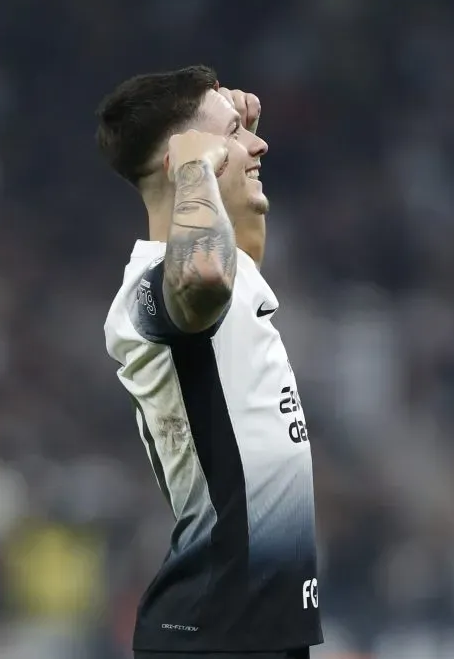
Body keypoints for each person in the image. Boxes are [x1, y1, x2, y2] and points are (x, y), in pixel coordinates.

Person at [97, 65, 322, 659]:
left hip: (252, 633)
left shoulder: (225, 276)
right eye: (236, 134)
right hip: (213, 634)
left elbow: (238, 256)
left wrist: (231, 137)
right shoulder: (150, 290)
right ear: (183, 161)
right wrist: (197, 160)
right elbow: (203, 271)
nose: (260, 143)